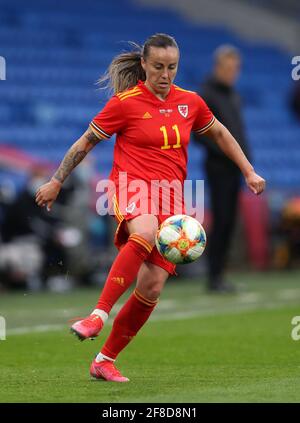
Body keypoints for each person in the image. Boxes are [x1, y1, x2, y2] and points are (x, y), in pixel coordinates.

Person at [35, 34, 265, 382]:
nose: (165, 74)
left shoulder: (191, 102)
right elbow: (86, 142)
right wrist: (56, 180)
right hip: (131, 188)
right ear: (143, 64)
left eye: (171, 67)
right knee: (141, 232)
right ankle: (98, 314)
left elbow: (219, 133)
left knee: (152, 286)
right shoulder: (125, 103)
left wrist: (248, 170)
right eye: (158, 66)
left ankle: (104, 360)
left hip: (172, 200)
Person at [194, 45, 251, 293]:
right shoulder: (206, 94)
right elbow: (200, 135)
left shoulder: (232, 95)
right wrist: (227, 154)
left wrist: (245, 161)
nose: (233, 73)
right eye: (229, 68)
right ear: (218, 67)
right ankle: (214, 275)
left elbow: (239, 132)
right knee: (222, 219)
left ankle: (220, 274)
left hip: (235, 169)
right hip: (218, 167)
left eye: (236, 69)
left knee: (229, 221)